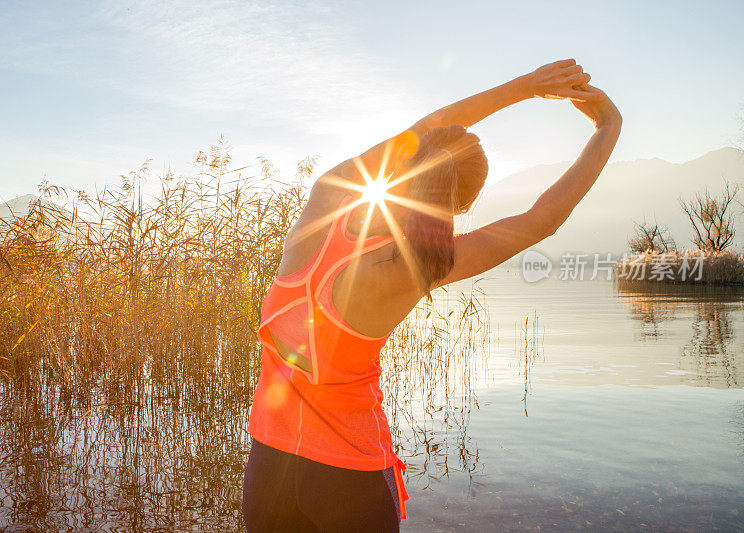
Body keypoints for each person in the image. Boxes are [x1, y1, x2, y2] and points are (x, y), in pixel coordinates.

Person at [243, 58, 622, 532]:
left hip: (269, 468)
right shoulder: (415, 268)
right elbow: (541, 218)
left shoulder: (324, 200)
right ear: (458, 205)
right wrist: (608, 126)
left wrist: (524, 88)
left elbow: (427, 128)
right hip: (348, 476)